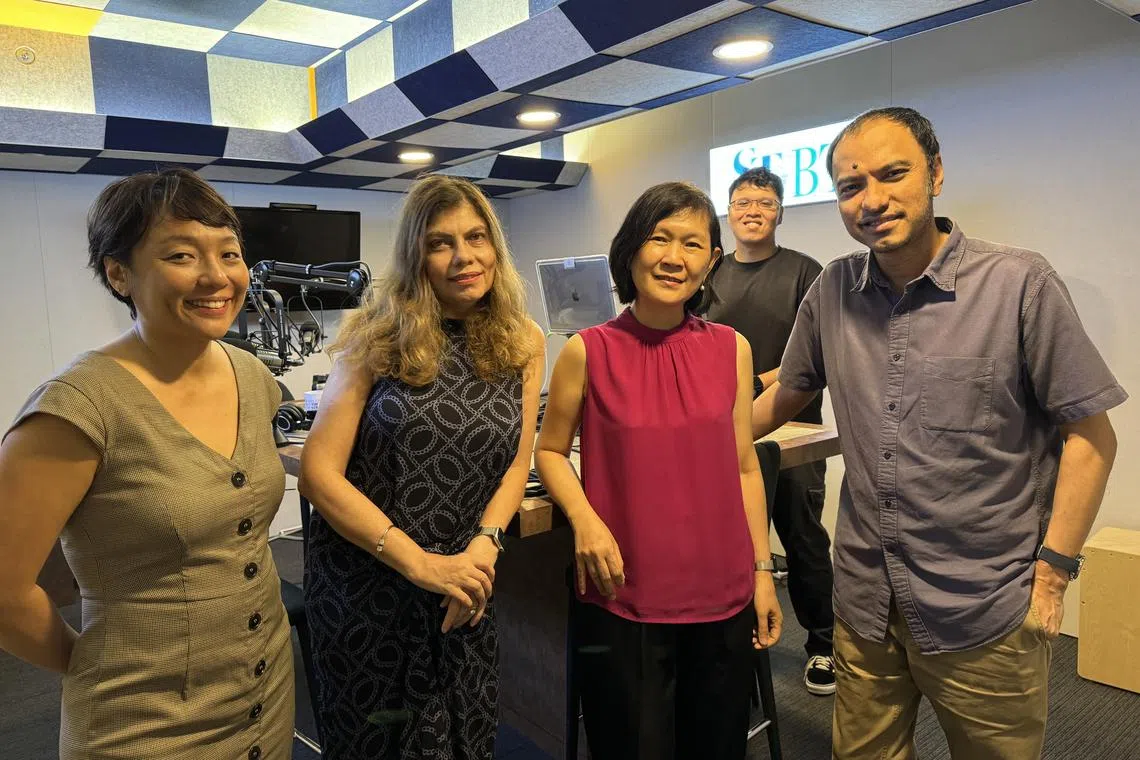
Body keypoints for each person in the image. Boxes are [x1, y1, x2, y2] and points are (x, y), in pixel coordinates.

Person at [752, 107, 1125, 759]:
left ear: (937, 173)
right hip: (866, 605)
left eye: (893, 174)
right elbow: (783, 396)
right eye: (850, 186)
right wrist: (665, 430)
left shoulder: (1017, 283)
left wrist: (1053, 574)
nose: (872, 199)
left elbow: (1092, 436)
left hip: (985, 611)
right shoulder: (834, 289)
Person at [0, 168, 295, 759]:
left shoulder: (251, 374)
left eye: (230, 253)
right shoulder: (78, 408)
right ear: (118, 273)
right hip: (143, 722)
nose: (216, 276)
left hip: (264, 692)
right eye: (182, 255)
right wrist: (93, 667)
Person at [298, 176, 544, 760]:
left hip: (464, 582)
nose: (464, 257)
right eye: (441, 243)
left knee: (463, 737)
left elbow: (517, 460)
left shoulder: (523, 340)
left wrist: (485, 546)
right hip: (370, 585)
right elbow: (319, 473)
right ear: (417, 255)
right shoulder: (375, 335)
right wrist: (419, 565)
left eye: (476, 237)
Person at [536, 182, 783, 760]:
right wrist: (586, 521)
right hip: (624, 592)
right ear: (630, 251)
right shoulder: (587, 350)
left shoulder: (732, 348)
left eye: (693, 244)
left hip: (723, 594)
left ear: (711, 261)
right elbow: (550, 452)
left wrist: (764, 572)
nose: (675, 257)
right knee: (631, 746)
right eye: (659, 238)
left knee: (717, 746)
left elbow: (745, 466)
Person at [702, 166, 836, 695]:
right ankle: (736, 642)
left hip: (792, 428)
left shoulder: (807, 272)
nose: (752, 211)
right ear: (728, 212)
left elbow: (816, 352)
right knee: (731, 540)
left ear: (780, 211)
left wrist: (755, 380)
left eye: (763, 202)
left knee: (802, 539)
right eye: (741, 203)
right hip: (719, 431)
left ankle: (823, 646)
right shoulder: (710, 273)